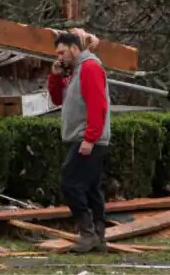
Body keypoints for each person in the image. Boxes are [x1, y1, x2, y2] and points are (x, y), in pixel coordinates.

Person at [47, 30, 111, 253]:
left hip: (88, 138)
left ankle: (87, 234)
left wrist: (90, 138)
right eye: (57, 53)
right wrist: (55, 76)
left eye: (62, 52)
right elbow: (58, 99)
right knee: (91, 188)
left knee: (70, 182)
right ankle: (98, 237)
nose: (59, 57)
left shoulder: (90, 68)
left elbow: (98, 105)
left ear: (75, 48)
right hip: (84, 137)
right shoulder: (76, 72)